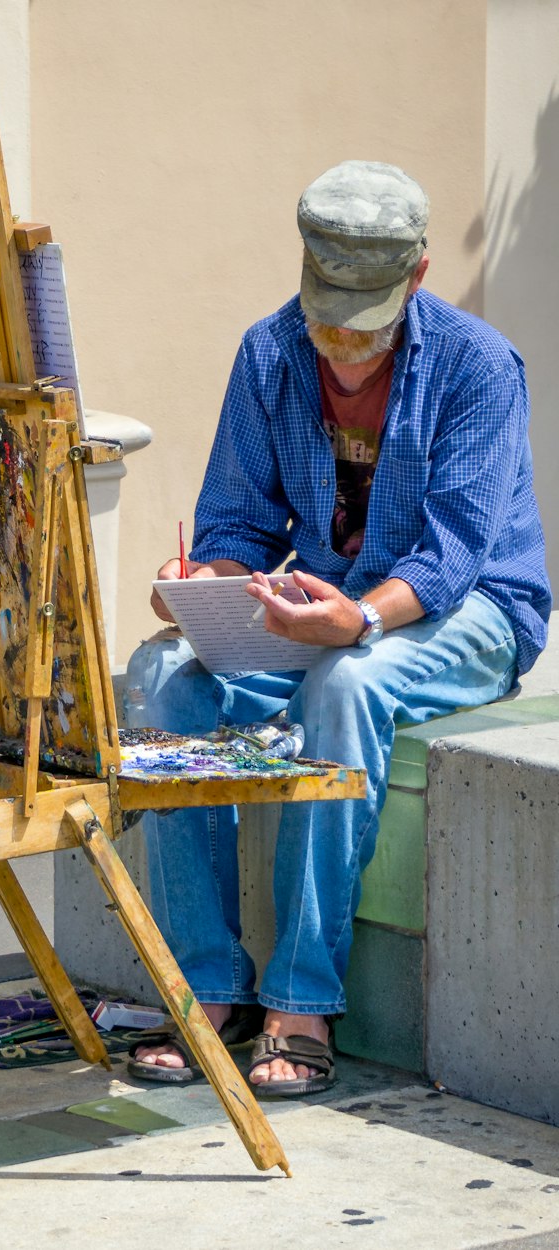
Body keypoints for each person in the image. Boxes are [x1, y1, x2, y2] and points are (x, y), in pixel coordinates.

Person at [127, 159, 551, 1098]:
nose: (340, 340)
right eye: (327, 311)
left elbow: (450, 558)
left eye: (364, 318)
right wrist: (201, 583)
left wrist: (356, 620)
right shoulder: (269, 351)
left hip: (471, 610)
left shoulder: (480, 365)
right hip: (330, 604)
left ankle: (302, 999)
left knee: (347, 683)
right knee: (166, 682)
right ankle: (205, 984)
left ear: (419, 277)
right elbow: (239, 523)